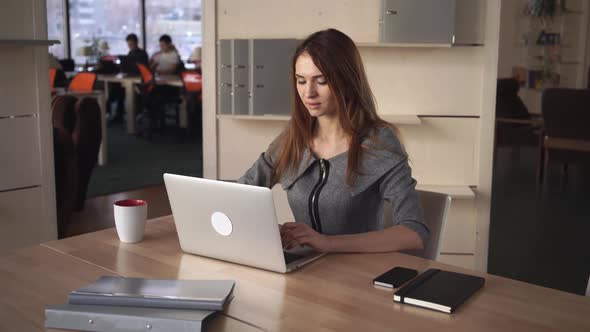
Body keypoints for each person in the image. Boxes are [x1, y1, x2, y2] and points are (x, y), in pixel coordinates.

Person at [238, 29, 429, 254]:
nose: (308, 92)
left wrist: (328, 243)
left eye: (322, 81)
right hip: (302, 269)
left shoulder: (380, 143)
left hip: (356, 275)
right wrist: (270, 230)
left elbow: (414, 233)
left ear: (347, 81)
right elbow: (241, 192)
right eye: (301, 81)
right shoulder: (293, 138)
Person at [108, 33, 149, 124]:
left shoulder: (142, 54)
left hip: (139, 81)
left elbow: (143, 68)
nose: (130, 46)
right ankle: (118, 115)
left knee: (122, 90)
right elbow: (128, 65)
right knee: (117, 88)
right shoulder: (130, 53)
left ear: (136, 43)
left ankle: (133, 117)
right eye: (129, 44)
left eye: (131, 44)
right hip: (129, 77)